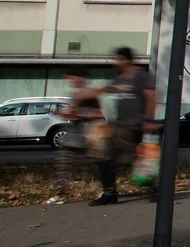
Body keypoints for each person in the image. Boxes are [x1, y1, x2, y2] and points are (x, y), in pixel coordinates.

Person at [93, 47, 156, 207]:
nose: (116, 62)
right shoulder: (117, 77)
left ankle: (152, 187)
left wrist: (149, 119)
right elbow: (110, 93)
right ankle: (110, 192)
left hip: (133, 124)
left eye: (119, 59)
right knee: (105, 157)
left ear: (128, 60)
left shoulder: (140, 75)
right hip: (116, 124)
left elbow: (151, 97)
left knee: (128, 158)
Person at [48, 73, 102, 204]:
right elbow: (72, 113)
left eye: (73, 77)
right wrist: (62, 113)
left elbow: (99, 113)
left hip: (87, 136)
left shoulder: (90, 93)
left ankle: (105, 189)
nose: (71, 81)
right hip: (73, 136)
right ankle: (59, 195)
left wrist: (80, 115)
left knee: (93, 165)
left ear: (81, 78)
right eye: (69, 78)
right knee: (63, 163)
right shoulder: (75, 94)